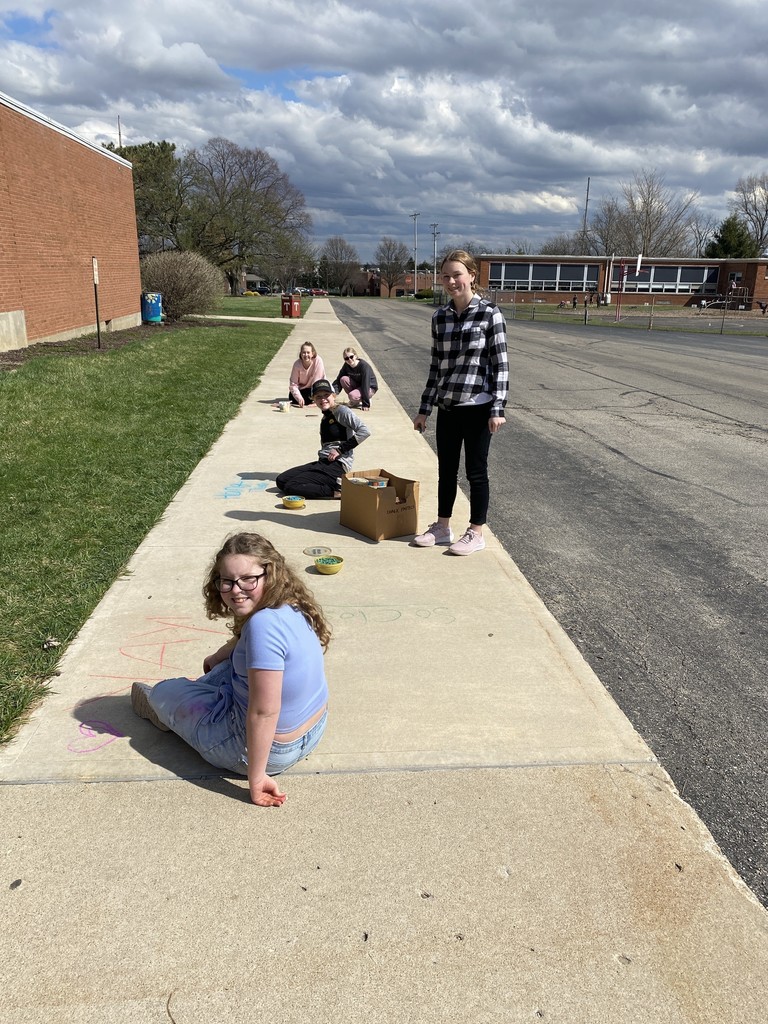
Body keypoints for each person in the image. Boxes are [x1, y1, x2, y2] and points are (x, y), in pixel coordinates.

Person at [131, 532, 331, 807]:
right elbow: (249, 644)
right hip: (314, 729)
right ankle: (211, 693)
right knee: (230, 665)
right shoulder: (291, 602)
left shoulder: (263, 626)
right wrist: (220, 654)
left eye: (248, 579)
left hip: (267, 750)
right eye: (227, 581)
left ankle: (168, 710)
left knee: (165, 692)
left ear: (269, 574)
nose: (236, 589)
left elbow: (264, 712)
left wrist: (257, 778)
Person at [412, 249, 508, 556]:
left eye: (457, 275)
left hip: (479, 407)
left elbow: (500, 365)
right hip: (448, 407)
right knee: (446, 470)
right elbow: (435, 366)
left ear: (471, 277)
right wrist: (424, 408)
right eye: (446, 276)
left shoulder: (490, 314)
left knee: (476, 471)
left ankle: (476, 531)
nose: (452, 281)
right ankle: (442, 527)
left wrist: (497, 408)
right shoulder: (439, 317)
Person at [276, 378, 371, 498]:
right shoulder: (325, 417)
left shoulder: (342, 411)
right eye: (318, 396)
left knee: (291, 486)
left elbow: (364, 431)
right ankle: (322, 482)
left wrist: (340, 450)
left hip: (336, 466)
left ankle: (336, 491)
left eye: (326, 395)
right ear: (313, 399)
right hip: (323, 463)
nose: (323, 399)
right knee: (282, 480)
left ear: (333, 396)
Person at [288, 342, 326, 407]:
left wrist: (316, 398)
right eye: (304, 352)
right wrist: (299, 398)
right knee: (291, 396)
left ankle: (317, 400)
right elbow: (293, 384)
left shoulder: (318, 361)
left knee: (310, 395)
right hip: (303, 389)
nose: (306, 355)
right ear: (301, 353)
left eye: (308, 352)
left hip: (318, 387)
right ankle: (307, 400)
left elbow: (317, 381)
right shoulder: (297, 365)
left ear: (312, 354)